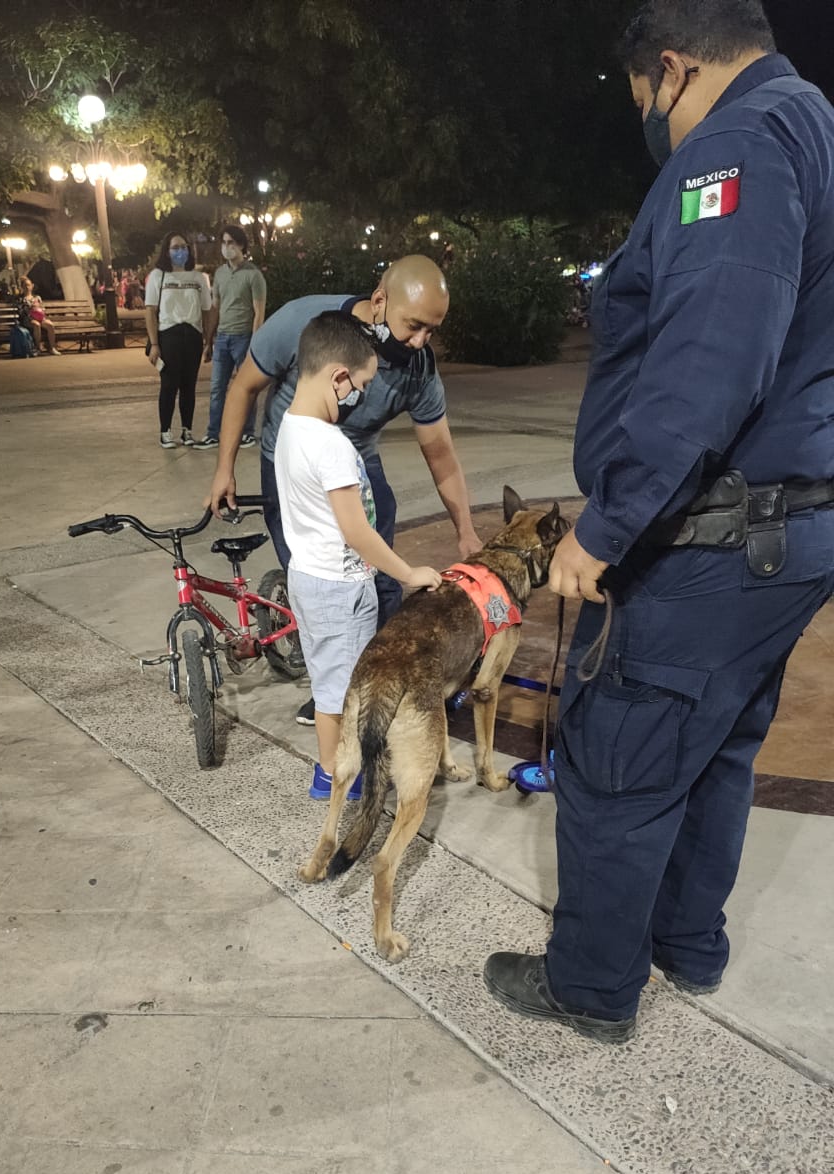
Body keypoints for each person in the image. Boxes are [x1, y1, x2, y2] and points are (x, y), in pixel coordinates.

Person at [484, 0, 834, 1045]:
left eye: (646, 99)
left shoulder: (735, 147)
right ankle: (689, 943)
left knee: (619, 757)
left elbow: (705, 366)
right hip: (786, 528)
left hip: (708, 534)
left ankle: (592, 986)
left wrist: (608, 525)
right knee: (716, 742)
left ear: (671, 70)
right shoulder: (816, 124)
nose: (653, 122)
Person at [207, 254, 480, 725]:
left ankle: (380, 685)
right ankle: (332, 691)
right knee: (322, 585)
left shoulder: (419, 368)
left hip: (356, 462)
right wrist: (224, 468)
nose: (420, 341)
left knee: (381, 582)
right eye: (413, 326)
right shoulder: (306, 323)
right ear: (380, 300)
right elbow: (243, 387)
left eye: (432, 331)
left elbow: (440, 454)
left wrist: (466, 530)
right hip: (293, 466)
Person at [276, 311, 441, 798]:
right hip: (340, 588)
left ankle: (332, 769)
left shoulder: (290, 426)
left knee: (328, 680)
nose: (362, 396)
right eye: (362, 385)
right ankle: (339, 776)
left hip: (308, 576)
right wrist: (408, 573)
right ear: (338, 377)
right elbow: (356, 531)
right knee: (344, 692)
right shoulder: (331, 445)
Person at [192, 225, 267, 450]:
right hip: (223, 338)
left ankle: (247, 432)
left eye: (231, 243)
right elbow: (216, 307)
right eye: (224, 243)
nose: (227, 247)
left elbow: (259, 312)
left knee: (246, 387)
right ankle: (213, 433)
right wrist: (209, 340)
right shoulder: (220, 274)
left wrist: (255, 342)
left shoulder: (253, 275)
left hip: (244, 337)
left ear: (241, 245)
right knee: (217, 388)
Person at [145, 232, 213, 449]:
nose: (180, 251)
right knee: (168, 385)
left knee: (189, 386)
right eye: (175, 247)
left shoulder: (198, 278)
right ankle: (165, 431)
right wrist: (154, 344)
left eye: (183, 246)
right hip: (168, 335)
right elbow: (150, 311)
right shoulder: (158, 276)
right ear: (167, 251)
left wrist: (208, 340)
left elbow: (207, 310)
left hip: (192, 335)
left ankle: (187, 430)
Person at [18, 277, 61, 355]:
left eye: (28, 285)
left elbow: (42, 308)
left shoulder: (37, 297)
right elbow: (21, 312)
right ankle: (38, 348)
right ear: (22, 287)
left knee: (50, 325)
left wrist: (40, 308)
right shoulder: (21, 299)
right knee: (36, 324)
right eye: (25, 285)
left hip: (40, 318)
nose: (27, 287)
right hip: (29, 319)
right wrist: (30, 308)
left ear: (32, 286)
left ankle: (52, 348)